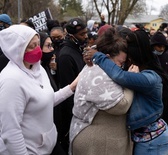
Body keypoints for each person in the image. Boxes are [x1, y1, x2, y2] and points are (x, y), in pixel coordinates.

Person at [85, 29, 168, 155]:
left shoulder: (150, 77)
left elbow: (120, 76)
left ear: (134, 54)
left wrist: (98, 56)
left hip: (152, 141)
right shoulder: (138, 69)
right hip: (146, 137)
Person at [0, 25, 77, 154]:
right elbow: (10, 130)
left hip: (48, 147)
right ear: (17, 49)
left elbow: (46, 100)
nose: (37, 50)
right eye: (32, 46)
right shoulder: (11, 81)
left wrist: (72, 87)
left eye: (38, 44)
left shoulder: (38, 69)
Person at [69, 27, 134, 155]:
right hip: (98, 143)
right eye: (120, 63)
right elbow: (121, 105)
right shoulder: (99, 72)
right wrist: (130, 81)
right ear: (108, 57)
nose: (121, 67)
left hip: (100, 139)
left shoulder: (96, 67)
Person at [57, 17, 87, 153]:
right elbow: (67, 88)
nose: (85, 36)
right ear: (71, 36)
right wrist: (75, 116)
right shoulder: (66, 56)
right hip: (72, 113)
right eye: (82, 34)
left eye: (86, 33)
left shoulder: (78, 50)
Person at [150, 31, 168, 125]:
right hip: (152, 94)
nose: (161, 49)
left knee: (164, 118)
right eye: (159, 46)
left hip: (164, 93)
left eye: (164, 46)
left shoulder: (167, 56)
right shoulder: (149, 58)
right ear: (153, 45)